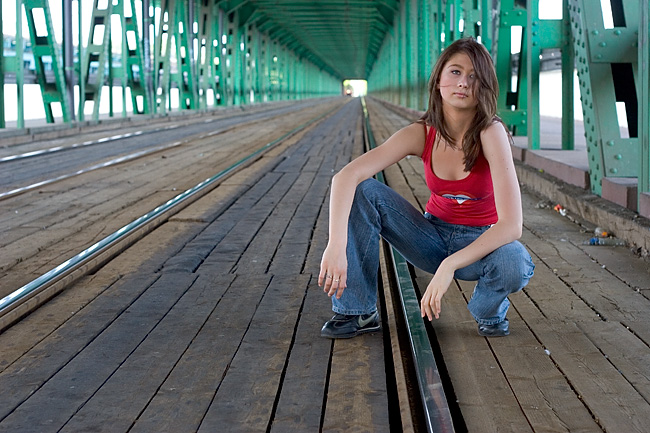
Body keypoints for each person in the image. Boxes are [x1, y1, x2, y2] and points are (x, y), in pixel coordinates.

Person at [318, 37, 535, 339]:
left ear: (484, 86)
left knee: (514, 260)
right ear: (438, 81)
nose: (464, 83)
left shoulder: (491, 132)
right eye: (455, 72)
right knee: (364, 190)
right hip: (429, 237)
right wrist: (336, 245)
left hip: (482, 243)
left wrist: (450, 265)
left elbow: (512, 226)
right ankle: (357, 310)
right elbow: (345, 176)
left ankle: (489, 311)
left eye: (474, 76)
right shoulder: (422, 133)